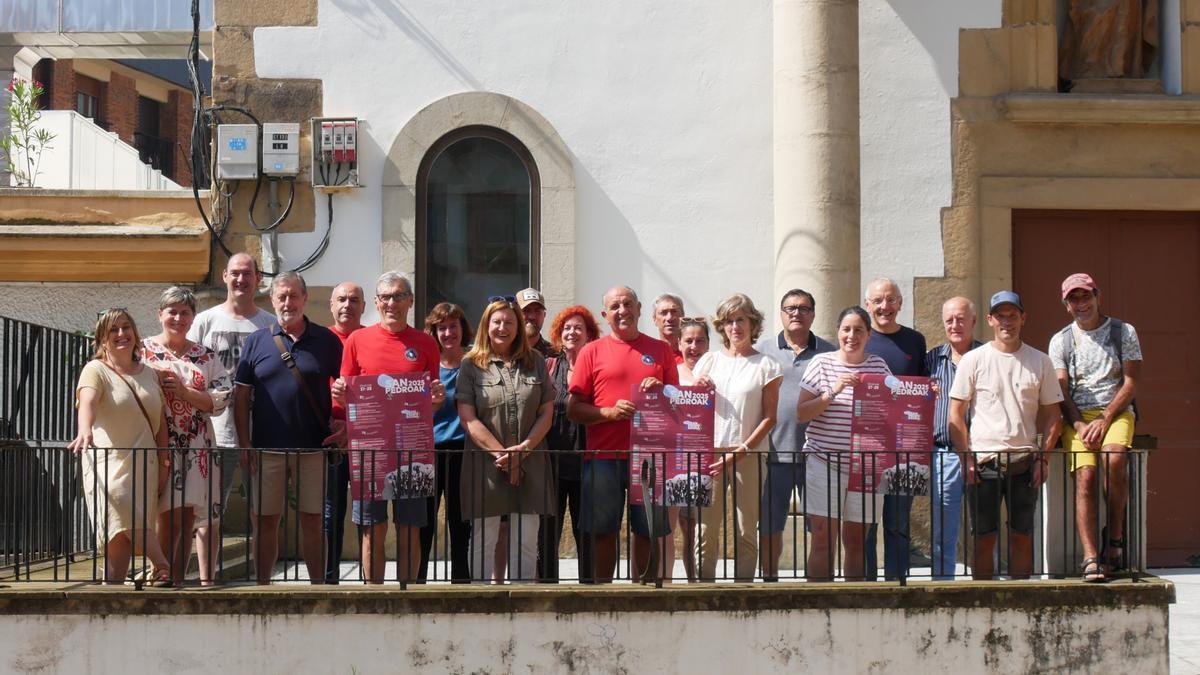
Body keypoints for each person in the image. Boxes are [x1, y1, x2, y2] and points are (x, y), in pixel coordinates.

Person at [332, 272, 444, 584]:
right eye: (385, 297)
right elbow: (345, 391)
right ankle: (374, 598)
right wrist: (340, 392)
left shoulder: (425, 344)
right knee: (372, 530)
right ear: (377, 303)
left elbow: (430, 402)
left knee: (409, 532)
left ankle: (407, 598)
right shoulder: (357, 340)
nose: (391, 302)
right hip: (370, 453)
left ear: (410, 301)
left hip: (413, 453)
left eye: (398, 296)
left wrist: (436, 398)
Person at [234, 272, 343, 584]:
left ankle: (318, 589)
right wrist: (245, 443)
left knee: (313, 521)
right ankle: (263, 588)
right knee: (265, 522)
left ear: (305, 299)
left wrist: (343, 422)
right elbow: (241, 396)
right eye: (281, 296)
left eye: (294, 295)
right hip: (266, 449)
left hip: (314, 449)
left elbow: (348, 386)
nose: (287, 302)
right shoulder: (256, 341)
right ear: (272, 300)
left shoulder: (327, 341)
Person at [567, 285, 680, 583]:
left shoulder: (661, 351)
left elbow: (679, 406)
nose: (622, 311)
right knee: (603, 532)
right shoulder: (591, 351)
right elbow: (573, 408)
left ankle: (641, 596)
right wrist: (608, 413)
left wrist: (662, 392)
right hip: (603, 457)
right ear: (605, 315)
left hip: (650, 459)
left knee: (646, 531)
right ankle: (604, 595)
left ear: (640, 308)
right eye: (615, 307)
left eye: (627, 304)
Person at [949, 291, 1063, 581]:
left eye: (1013, 315)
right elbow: (955, 415)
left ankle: (1022, 602)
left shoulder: (1041, 362)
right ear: (989, 320)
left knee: (1021, 536)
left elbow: (1053, 415)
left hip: (1024, 462)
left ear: (1023, 318)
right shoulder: (973, 360)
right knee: (984, 537)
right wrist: (967, 459)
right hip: (983, 463)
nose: (1007, 322)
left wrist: (1043, 458)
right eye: (1000, 316)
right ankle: (982, 600)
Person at [1048, 273, 1142, 582]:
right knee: (1085, 477)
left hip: (1115, 413)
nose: (1081, 303)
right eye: (1073, 298)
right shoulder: (1060, 340)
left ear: (1097, 296)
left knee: (1114, 458)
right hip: (1077, 416)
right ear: (1066, 305)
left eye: (1085, 296)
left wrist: (1105, 418)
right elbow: (1060, 388)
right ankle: (1091, 557)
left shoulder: (1123, 331)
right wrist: (1077, 422)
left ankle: (1114, 541)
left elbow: (1130, 383)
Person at [68, 309, 172, 585]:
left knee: (118, 533)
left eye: (126, 327)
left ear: (136, 334)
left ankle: (112, 588)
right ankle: (161, 563)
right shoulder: (95, 369)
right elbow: (87, 402)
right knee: (119, 503)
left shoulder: (149, 374)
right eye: (113, 330)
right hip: (108, 461)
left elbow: (160, 424)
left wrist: (164, 463)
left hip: (145, 463)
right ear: (102, 338)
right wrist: (84, 430)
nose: (121, 334)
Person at [187, 252, 276, 572]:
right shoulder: (205, 321)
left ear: (257, 279)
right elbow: (188, 367)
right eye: (235, 273)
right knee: (210, 512)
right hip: (215, 432)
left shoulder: (269, 324)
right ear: (224, 276)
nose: (241, 279)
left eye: (247, 274)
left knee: (262, 513)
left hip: (261, 432)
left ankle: (261, 582)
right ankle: (207, 580)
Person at [457, 297, 556, 582]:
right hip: (485, 465)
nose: (503, 327)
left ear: (518, 326)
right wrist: (505, 456)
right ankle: (480, 602)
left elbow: (546, 413)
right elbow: (468, 418)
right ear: (486, 326)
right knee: (483, 538)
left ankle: (523, 599)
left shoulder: (536, 362)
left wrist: (522, 451)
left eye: (509, 322)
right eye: (496, 321)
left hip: (531, 460)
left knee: (526, 538)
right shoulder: (470, 365)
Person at [143, 287, 231, 586]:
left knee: (185, 519)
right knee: (164, 516)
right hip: (157, 443)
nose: (178, 318)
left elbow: (219, 400)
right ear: (160, 314)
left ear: (193, 317)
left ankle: (176, 580)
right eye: (172, 311)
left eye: (185, 312)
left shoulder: (206, 356)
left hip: (195, 444)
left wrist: (184, 392)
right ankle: (161, 575)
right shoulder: (142, 352)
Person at [797, 306, 892, 581]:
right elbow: (802, 413)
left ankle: (853, 603)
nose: (852, 335)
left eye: (859, 330)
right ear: (838, 332)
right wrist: (832, 391)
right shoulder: (821, 363)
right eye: (846, 329)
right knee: (822, 539)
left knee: (856, 542)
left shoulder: (878, 366)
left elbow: (896, 408)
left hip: (866, 467)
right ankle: (817, 604)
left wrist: (924, 395)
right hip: (823, 462)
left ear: (868, 335)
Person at [692, 294, 782, 582]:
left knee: (746, 528)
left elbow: (770, 417)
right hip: (710, 453)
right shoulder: (708, 361)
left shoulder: (766, 365)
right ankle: (704, 589)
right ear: (722, 326)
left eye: (740, 319)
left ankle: (744, 590)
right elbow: (692, 410)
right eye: (729, 321)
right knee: (705, 528)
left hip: (750, 454)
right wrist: (698, 387)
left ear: (752, 322)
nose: (735, 327)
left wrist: (742, 449)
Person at [755, 289, 834, 581]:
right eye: (790, 308)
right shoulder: (762, 350)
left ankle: (818, 584)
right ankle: (770, 581)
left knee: (820, 526)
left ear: (812, 314)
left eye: (803, 308)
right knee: (770, 524)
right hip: (773, 453)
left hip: (817, 455)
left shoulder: (829, 352)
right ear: (781, 313)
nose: (796, 313)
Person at [862, 277, 928, 580]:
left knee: (898, 521)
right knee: (864, 521)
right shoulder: (860, 338)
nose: (884, 307)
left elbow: (923, 387)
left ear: (900, 303)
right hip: (866, 446)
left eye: (891, 300)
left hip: (906, 448)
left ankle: (897, 582)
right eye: (878, 301)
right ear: (868, 305)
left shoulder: (916, 340)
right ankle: (864, 583)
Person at [536, 305, 601, 582]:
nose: (572, 332)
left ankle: (589, 588)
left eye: (578, 328)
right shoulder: (550, 365)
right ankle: (549, 587)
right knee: (547, 529)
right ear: (559, 334)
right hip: (552, 460)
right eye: (567, 328)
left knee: (585, 529)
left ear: (589, 335)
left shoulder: (597, 368)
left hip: (588, 462)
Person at [923, 297, 982, 580]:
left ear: (974, 321)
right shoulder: (932, 359)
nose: (955, 325)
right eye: (949, 320)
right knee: (943, 531)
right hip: (944, 454)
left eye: (961, 319)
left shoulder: (988, 355)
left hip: (984, 453)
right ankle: (942, 586)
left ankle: (986, 586)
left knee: (985, 527)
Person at [419, 302, 474, 583]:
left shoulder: (475, 364)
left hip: (463, 450)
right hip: (429, 450)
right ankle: (418, 582)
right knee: (424, 522)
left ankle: (461, 584)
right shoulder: (427, 365)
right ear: (434, 331)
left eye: (454, 326)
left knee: (460, 522)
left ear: (463, 329)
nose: (448, 332)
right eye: (442, 327)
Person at [323, 281, 365, 584]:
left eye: (354, 300)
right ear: (331, 304)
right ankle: (329, 581)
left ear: (364, 306)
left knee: (368, 516)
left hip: (366, 440)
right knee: (330, 515)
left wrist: (354, 427)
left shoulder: (371, 339)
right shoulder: (319, 339)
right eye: (341, 299)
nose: (347, 305)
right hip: (329, 440)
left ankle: (370, 581)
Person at [674, 316, 711, 581]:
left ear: (709, 344)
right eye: (688, 341)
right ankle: (681, 579)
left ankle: (696, 580)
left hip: (705, 458)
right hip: (676, 459)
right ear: (679, 343)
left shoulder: (716, 371)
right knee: (677, 524)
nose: (694, 346)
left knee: (697, 526)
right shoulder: (670, 372)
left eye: (700, 341)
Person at [517, 287, 553, 356]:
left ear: (544, 315)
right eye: (526, 311)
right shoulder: (504, 352)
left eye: (537, 311)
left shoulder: (556, 356)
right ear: (515, 314)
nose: (532, 316)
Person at [652, 293, 686, 363]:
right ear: (654, 319)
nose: (669, 318)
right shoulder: (648, 355)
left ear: (683, 317)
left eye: (674, 312)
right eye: (663, 312)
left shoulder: (692, 356)